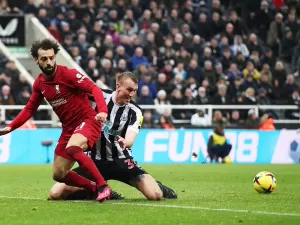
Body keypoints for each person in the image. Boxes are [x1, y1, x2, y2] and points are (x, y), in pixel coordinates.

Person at [0, 38, 112, 202]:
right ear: (36, 60)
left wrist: (102, 111)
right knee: (58, 174)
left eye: (52, 58)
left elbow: (94, 88)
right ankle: (94, 189)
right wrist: (11, 126)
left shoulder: (69, 74)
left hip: (87, 121)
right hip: (68, 129)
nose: (49, 62)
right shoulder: (39, 84)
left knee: (73, 148)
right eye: (44, 59)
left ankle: (103, 186)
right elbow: (30, 108)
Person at [49, 72, 177, 201]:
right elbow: (76, 93)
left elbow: (131, 137)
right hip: (94, 162)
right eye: (129, 89)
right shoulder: (99, 96)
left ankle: (159, 186)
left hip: (120, 160)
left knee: (155, 195)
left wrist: (126, 142)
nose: (132, 94)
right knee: (55, 193)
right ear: (118, 86)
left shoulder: (135, 111)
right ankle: (101, 191)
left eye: (134, 90)